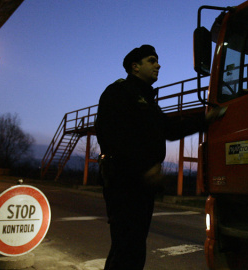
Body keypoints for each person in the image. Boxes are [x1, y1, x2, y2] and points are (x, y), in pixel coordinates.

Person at [95, 44, 221, 270]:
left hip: (142, 184)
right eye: (152, 60)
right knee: (126, 247)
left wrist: (204, 120)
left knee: (134, 247)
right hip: (123, 182)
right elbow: (113, 135)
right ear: (135, 67)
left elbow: (170, 129)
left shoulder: (148, 101)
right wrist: (145, 166)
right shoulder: (118, 93)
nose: (158, 65)